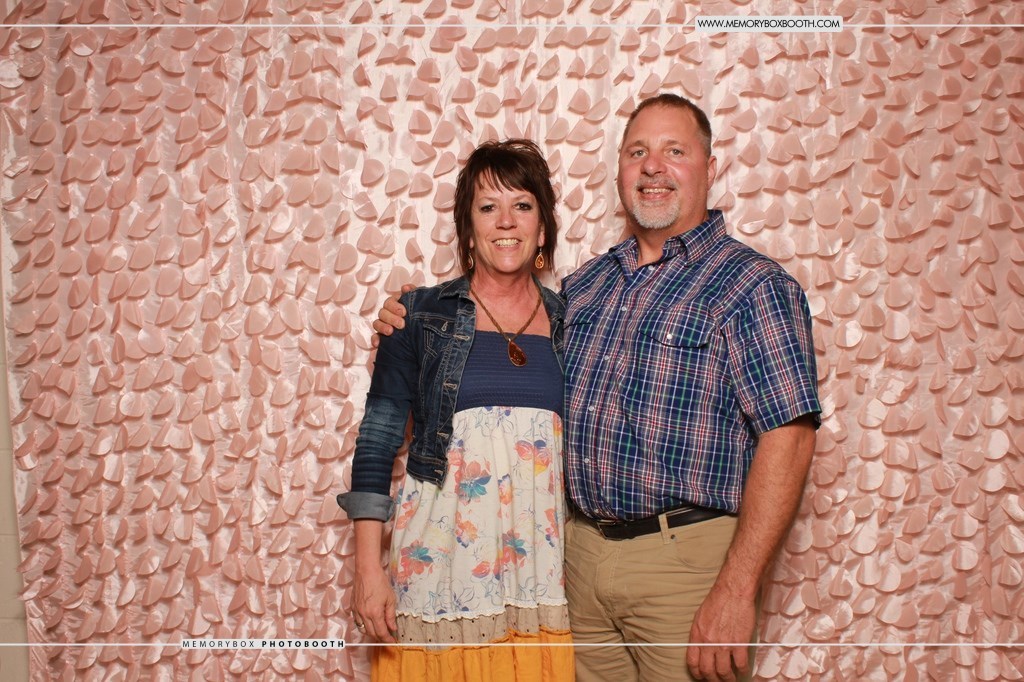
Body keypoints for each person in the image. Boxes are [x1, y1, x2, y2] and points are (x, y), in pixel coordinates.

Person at [375, 94, 820, 682]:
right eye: (637, 152)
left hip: (684, 565)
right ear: (619, 171)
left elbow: (790, 437)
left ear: (710, 168)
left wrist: (738, 589)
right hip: (577, 564)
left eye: (674, 151)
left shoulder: (751, 285)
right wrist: (412, 314)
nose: (653, 166)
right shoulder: (586, 287)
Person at [337, 139, 574, 681]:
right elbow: (377, 441)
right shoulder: (418, 316)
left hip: (538, 577)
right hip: (437, 574)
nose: (506, 221)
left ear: (542, 227)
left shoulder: (572, 322)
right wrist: (368, 569)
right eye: (488, 207)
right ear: (468, 229)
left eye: (522, 205)